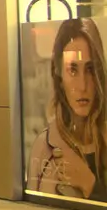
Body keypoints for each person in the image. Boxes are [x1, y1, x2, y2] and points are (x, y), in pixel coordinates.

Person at [27, 19, 107, 199]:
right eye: (72, 70)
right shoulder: (44, 147)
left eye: (90, 69)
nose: (82, 85)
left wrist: (89, 184)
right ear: (59, 76)